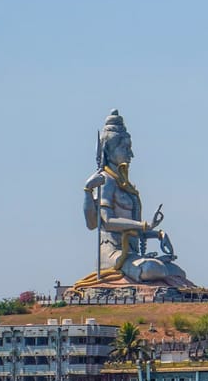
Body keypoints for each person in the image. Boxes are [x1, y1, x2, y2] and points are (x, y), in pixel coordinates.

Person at [72, 110, 192, 291]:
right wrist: (88, 191)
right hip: (113, 254)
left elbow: (133, 230)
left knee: (177, 271)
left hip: (131, 253)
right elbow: (105, 222)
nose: (131, 154)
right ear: (108, 150)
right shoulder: (105, 181)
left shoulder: (125, 185)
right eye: (125, 148)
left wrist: (157, 234)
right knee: (153, 269)